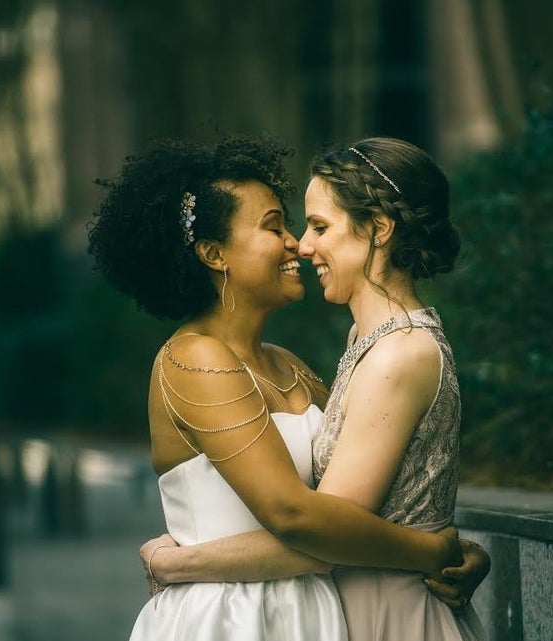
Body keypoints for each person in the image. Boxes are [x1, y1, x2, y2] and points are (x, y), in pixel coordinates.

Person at [87, 135, 487, 641]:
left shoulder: (291, 367)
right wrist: (429, 549)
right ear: (214, 254)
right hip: (230, 618)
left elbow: (355, 499)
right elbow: (296, 515)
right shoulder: (194, 358)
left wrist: (180, 559)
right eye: (274, 227)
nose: (298, 242)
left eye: (311, 226)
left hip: (314, 613)